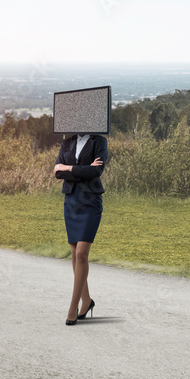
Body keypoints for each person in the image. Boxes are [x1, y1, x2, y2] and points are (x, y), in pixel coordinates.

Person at [53, 133, 107, 326]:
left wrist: (67, 167)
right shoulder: (67, 141)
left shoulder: (99, 141)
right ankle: (86, 301)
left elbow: (96, 172)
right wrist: (81, 169)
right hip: (71, 202)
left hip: (90, 202)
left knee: (82, 253)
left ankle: (72, 307)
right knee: (75, 254)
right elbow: (57, 173)